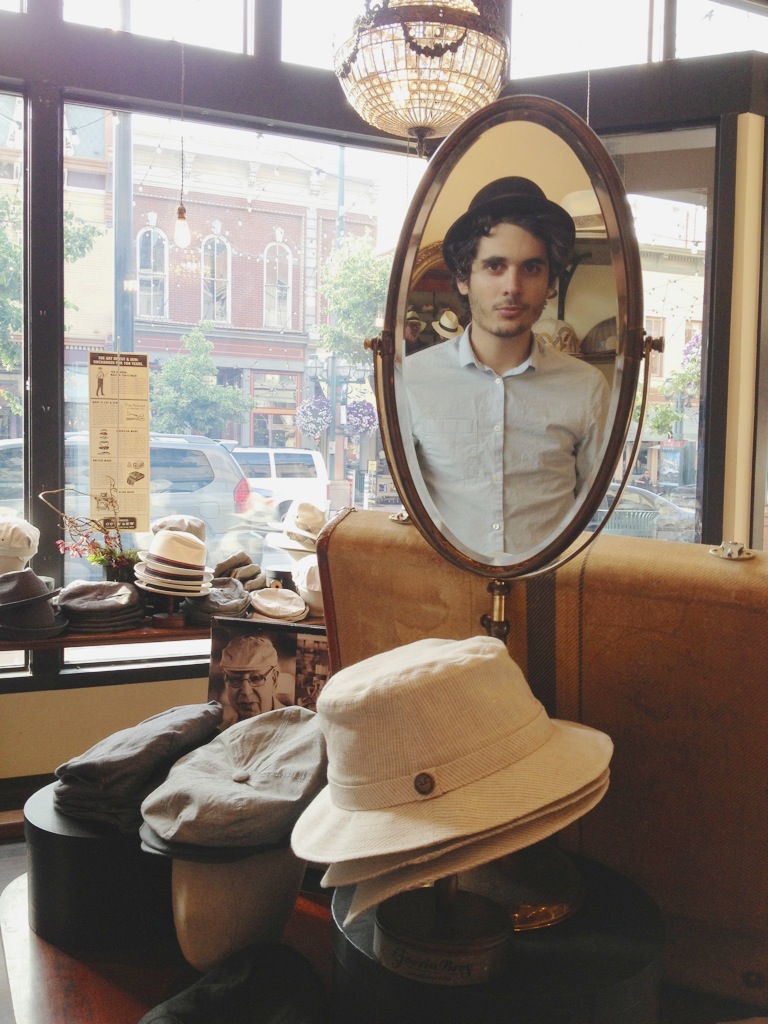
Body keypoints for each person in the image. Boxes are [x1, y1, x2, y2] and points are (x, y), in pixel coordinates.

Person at [405, 176, 611, 558]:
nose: (512, 286)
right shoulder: (411, 380)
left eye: (531, 268)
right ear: (464, 279)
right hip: (445, 585)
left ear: (549, 281)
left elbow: (594, 509)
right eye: (495, 266)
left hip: (550, 586)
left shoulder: (586, 387)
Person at [218, 634, 293, 724]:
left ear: (274, 679)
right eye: (235, 680)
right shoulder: (225, 729)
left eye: (256, 678)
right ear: (225, 681)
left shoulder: (294, 724)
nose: (246, 692)